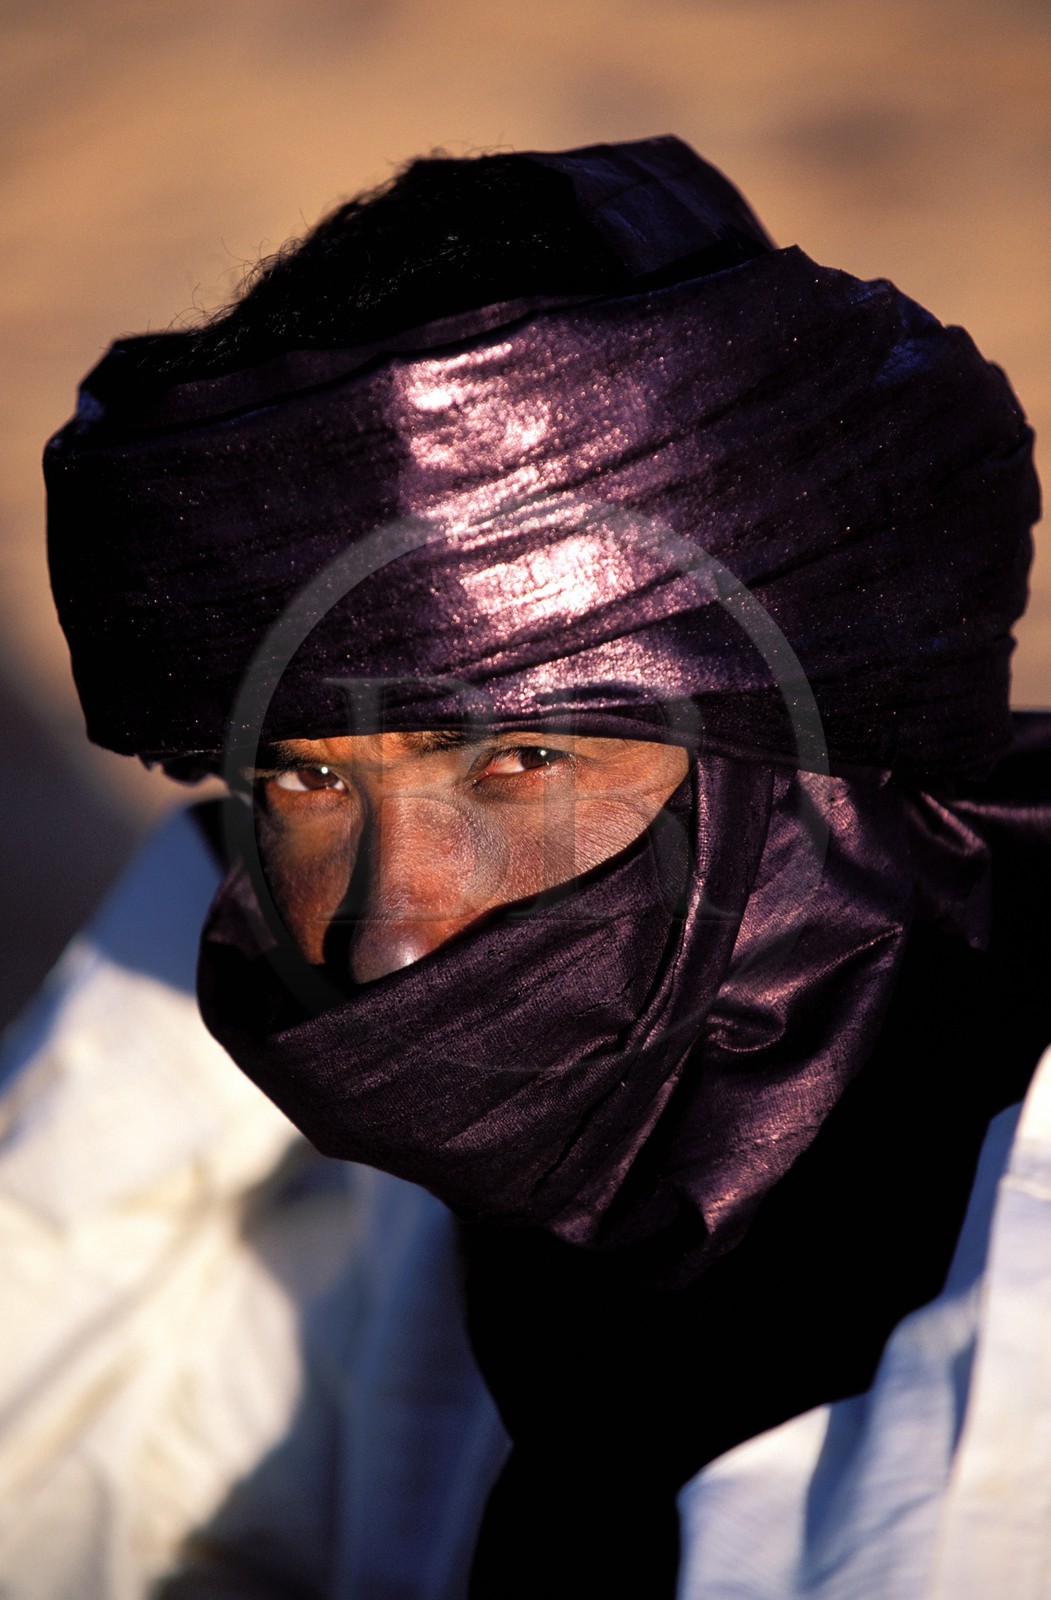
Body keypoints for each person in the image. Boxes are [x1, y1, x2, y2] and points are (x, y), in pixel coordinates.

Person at [42, 136, 1051, 1596]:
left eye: (516, 761)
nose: (388, 943)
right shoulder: (352, 1220)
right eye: (304, 779)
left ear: (801, 752)